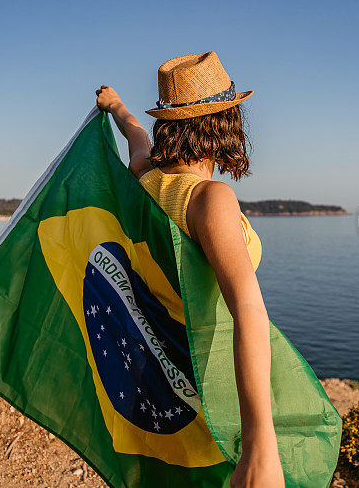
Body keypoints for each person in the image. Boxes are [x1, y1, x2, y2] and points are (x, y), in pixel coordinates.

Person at [96, 51, 284, 488]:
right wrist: (259, 444)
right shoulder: (209, 199)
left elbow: (134, 132)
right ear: (224, 124)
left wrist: (115, 105)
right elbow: (250, 313)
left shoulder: (143, 173)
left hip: (152, 366)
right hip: (204, 382)